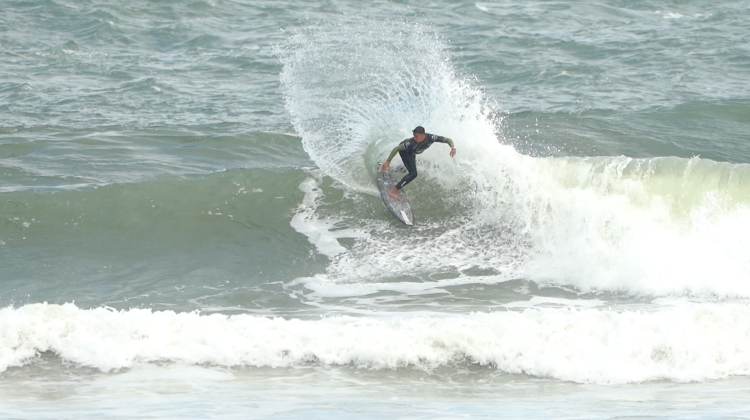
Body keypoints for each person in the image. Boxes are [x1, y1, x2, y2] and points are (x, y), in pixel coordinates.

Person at [379, 126, 456, 201]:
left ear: (423, 135)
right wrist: (388, 161)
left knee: (407, 170)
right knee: (413, 174)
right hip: (405, 151)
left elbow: (447, 139)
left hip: (412, 152)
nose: (414, 138)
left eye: (416, 136)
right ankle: (393, 191)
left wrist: (452, 148)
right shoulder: (411, 143)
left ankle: (387, 170)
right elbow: (397, 148)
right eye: (414, 136)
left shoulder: (431, 138)